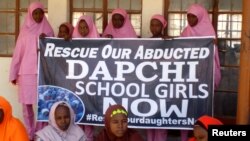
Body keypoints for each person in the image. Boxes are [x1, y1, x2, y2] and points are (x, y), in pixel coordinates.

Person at [9, 1, 54, 140]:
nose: (38, 15)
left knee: (43, 105)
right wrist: (13, 73)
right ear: (30, 14)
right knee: (27, 107)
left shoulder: (48, 30)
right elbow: (18, 53)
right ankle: (30, 133)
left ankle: (40, 133)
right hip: (26, 73)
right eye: (35, 13)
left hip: (42, 73)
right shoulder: (25, 31)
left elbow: (55, 51)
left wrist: (46, 41)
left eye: (41, 12)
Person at [72, 15, 99, 141]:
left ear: (91, 27)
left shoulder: (97, 40)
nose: (82, 30)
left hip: (90, 81)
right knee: (77, 110)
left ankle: (88, 137)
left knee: (88, 110)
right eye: (80, 27)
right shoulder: (72, 40)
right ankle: (78, 137)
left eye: (85, 27)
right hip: (76, 81)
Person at [180, 3, 221, 89]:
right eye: (188, 16)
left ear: (200, 17)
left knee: (203, 94)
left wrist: (214, 44)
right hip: (189, 71)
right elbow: (180, 49)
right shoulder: (186, 32)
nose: (190, 19)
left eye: (193, 16)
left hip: (205, 71)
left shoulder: (209, 32)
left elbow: (212, 53)